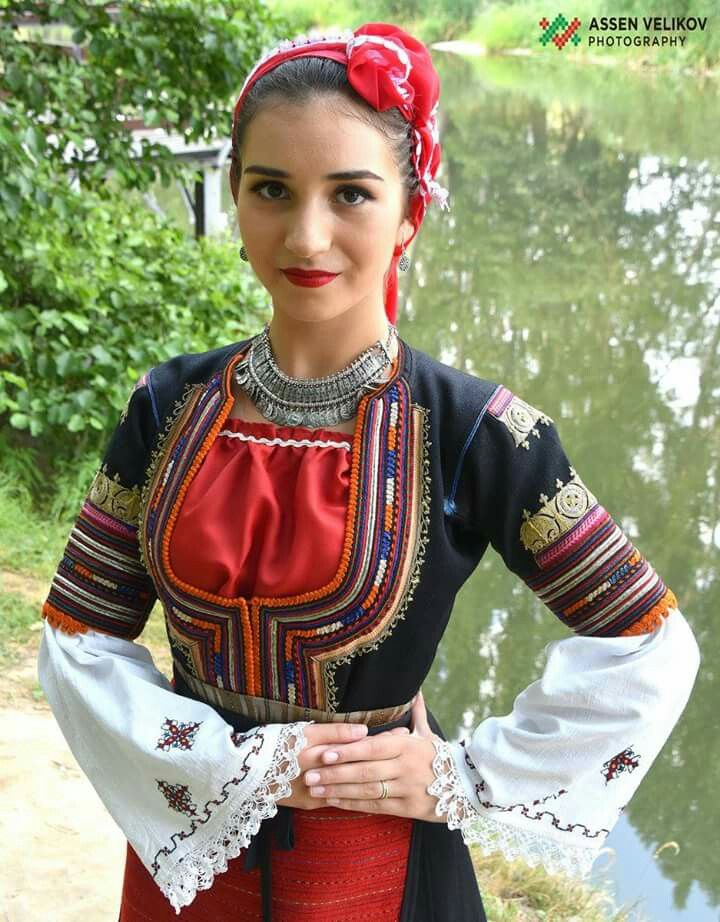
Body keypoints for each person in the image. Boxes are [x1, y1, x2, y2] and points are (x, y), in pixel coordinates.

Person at [37, 21, 701, 922]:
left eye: (351, 194)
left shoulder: (478, 432)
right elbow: (79, 637)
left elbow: (648, 643)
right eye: (272, 189)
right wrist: (219, 763)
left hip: (373, 870)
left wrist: (463, 774)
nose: (307, 235)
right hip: (188, 861)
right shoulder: (165, 408)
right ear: (234, 198)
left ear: (410, 217)